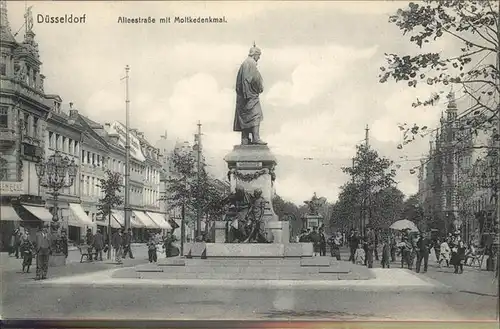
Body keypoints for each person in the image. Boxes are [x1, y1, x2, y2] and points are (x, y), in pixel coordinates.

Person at [233, 44, 266, 145]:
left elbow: (239, 83)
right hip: (250, 96)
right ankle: (256, 138)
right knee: (256, 115)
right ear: (254, 54)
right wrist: (259, 88)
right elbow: (254, 79)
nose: (259, 58)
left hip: (243, 97)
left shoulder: (244, 64)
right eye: (258, 55)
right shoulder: (251, 63)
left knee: (245, 118)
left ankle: (245, 139)